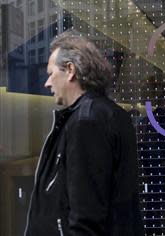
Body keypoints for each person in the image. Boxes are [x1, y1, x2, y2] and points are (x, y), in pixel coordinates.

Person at [24, 31, 144, 236]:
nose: (47, 83)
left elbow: (86, 216)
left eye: (51, 73)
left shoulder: (86, 121)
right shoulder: (108, 114)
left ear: (70, 70)